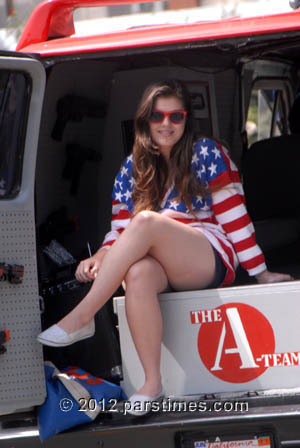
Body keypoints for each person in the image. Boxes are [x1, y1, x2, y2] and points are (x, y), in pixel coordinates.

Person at [37, 79, 292, 415]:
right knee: (139, 273)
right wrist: (101, 253)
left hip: (207, 254)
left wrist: (260, 273)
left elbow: (235, 219)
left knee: (146, 222)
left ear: (187, 120)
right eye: (158, 117)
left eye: (176, 117)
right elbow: (120, 231)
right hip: (157, 260)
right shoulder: (132, 168)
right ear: (145, 121)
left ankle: (84, 315)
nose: (167, 125)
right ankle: (151, 383)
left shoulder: (207, 153)